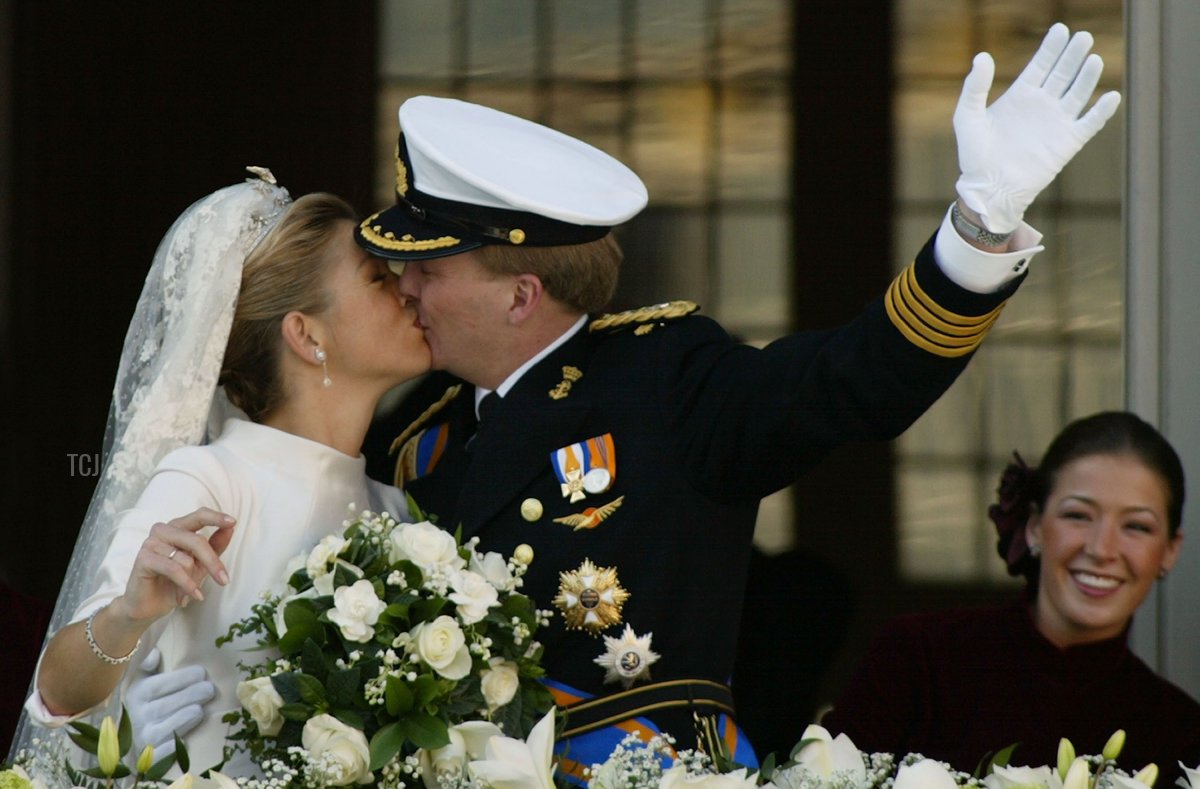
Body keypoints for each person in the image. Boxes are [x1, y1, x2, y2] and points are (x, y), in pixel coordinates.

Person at [352, 23, 1120, 782]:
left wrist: (979, 231)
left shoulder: (665, 380)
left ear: (521, 294)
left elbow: (850, 382)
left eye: (431, 268)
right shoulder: (422, 432)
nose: (405, 286)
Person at [11, 170, 431, 774]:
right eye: (377, 278)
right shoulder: (210, 480)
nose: (407, 290)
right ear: (307, 334)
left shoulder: (395, 510)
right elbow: (57, 693)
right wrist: (127, 614)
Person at [821, 412, 1200, 782]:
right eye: (1078, 515)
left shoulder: (1181, 734)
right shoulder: (918, 659)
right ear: (1035, 527)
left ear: (1169, 550)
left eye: (1136, 526)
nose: (1102, 549)